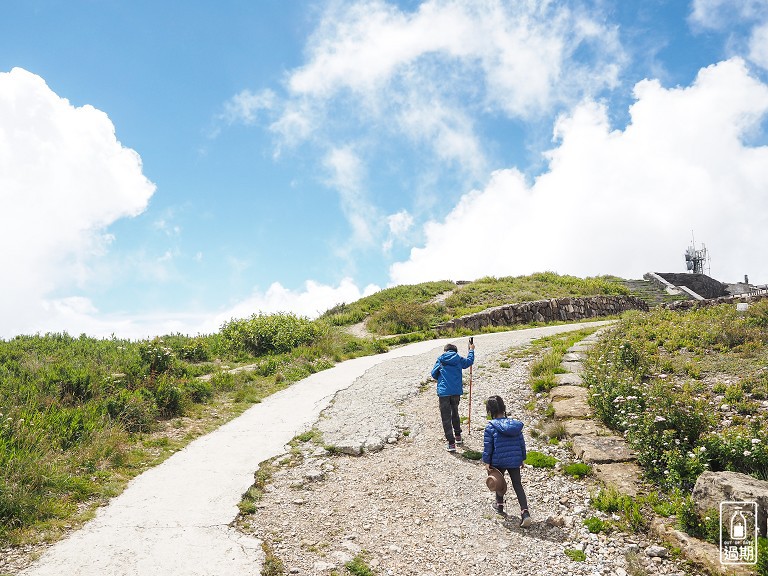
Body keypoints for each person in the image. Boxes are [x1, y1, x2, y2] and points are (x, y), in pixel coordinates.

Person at [482, 395, 531, 527]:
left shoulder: (491, 427)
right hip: (514, 459)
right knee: (517, 484)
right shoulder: (515, 426)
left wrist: (487, 461)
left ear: (490, 411)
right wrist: (522, 458)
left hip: (498, 460)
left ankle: (499, 505)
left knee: (499, 481)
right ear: (503, 408)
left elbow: (488, 446)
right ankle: (525, 512)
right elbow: (522, 443)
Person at [431, 340, 474, 452]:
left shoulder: (441, 359)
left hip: (444, 392)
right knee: (455, 412)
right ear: (455, 351)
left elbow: (433, 374)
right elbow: (469, 361)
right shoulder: (459, 359)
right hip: (456, 392)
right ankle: (458, 436)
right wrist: (471, 350)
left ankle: (451, 443)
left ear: (445, 351)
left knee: (446, 417)